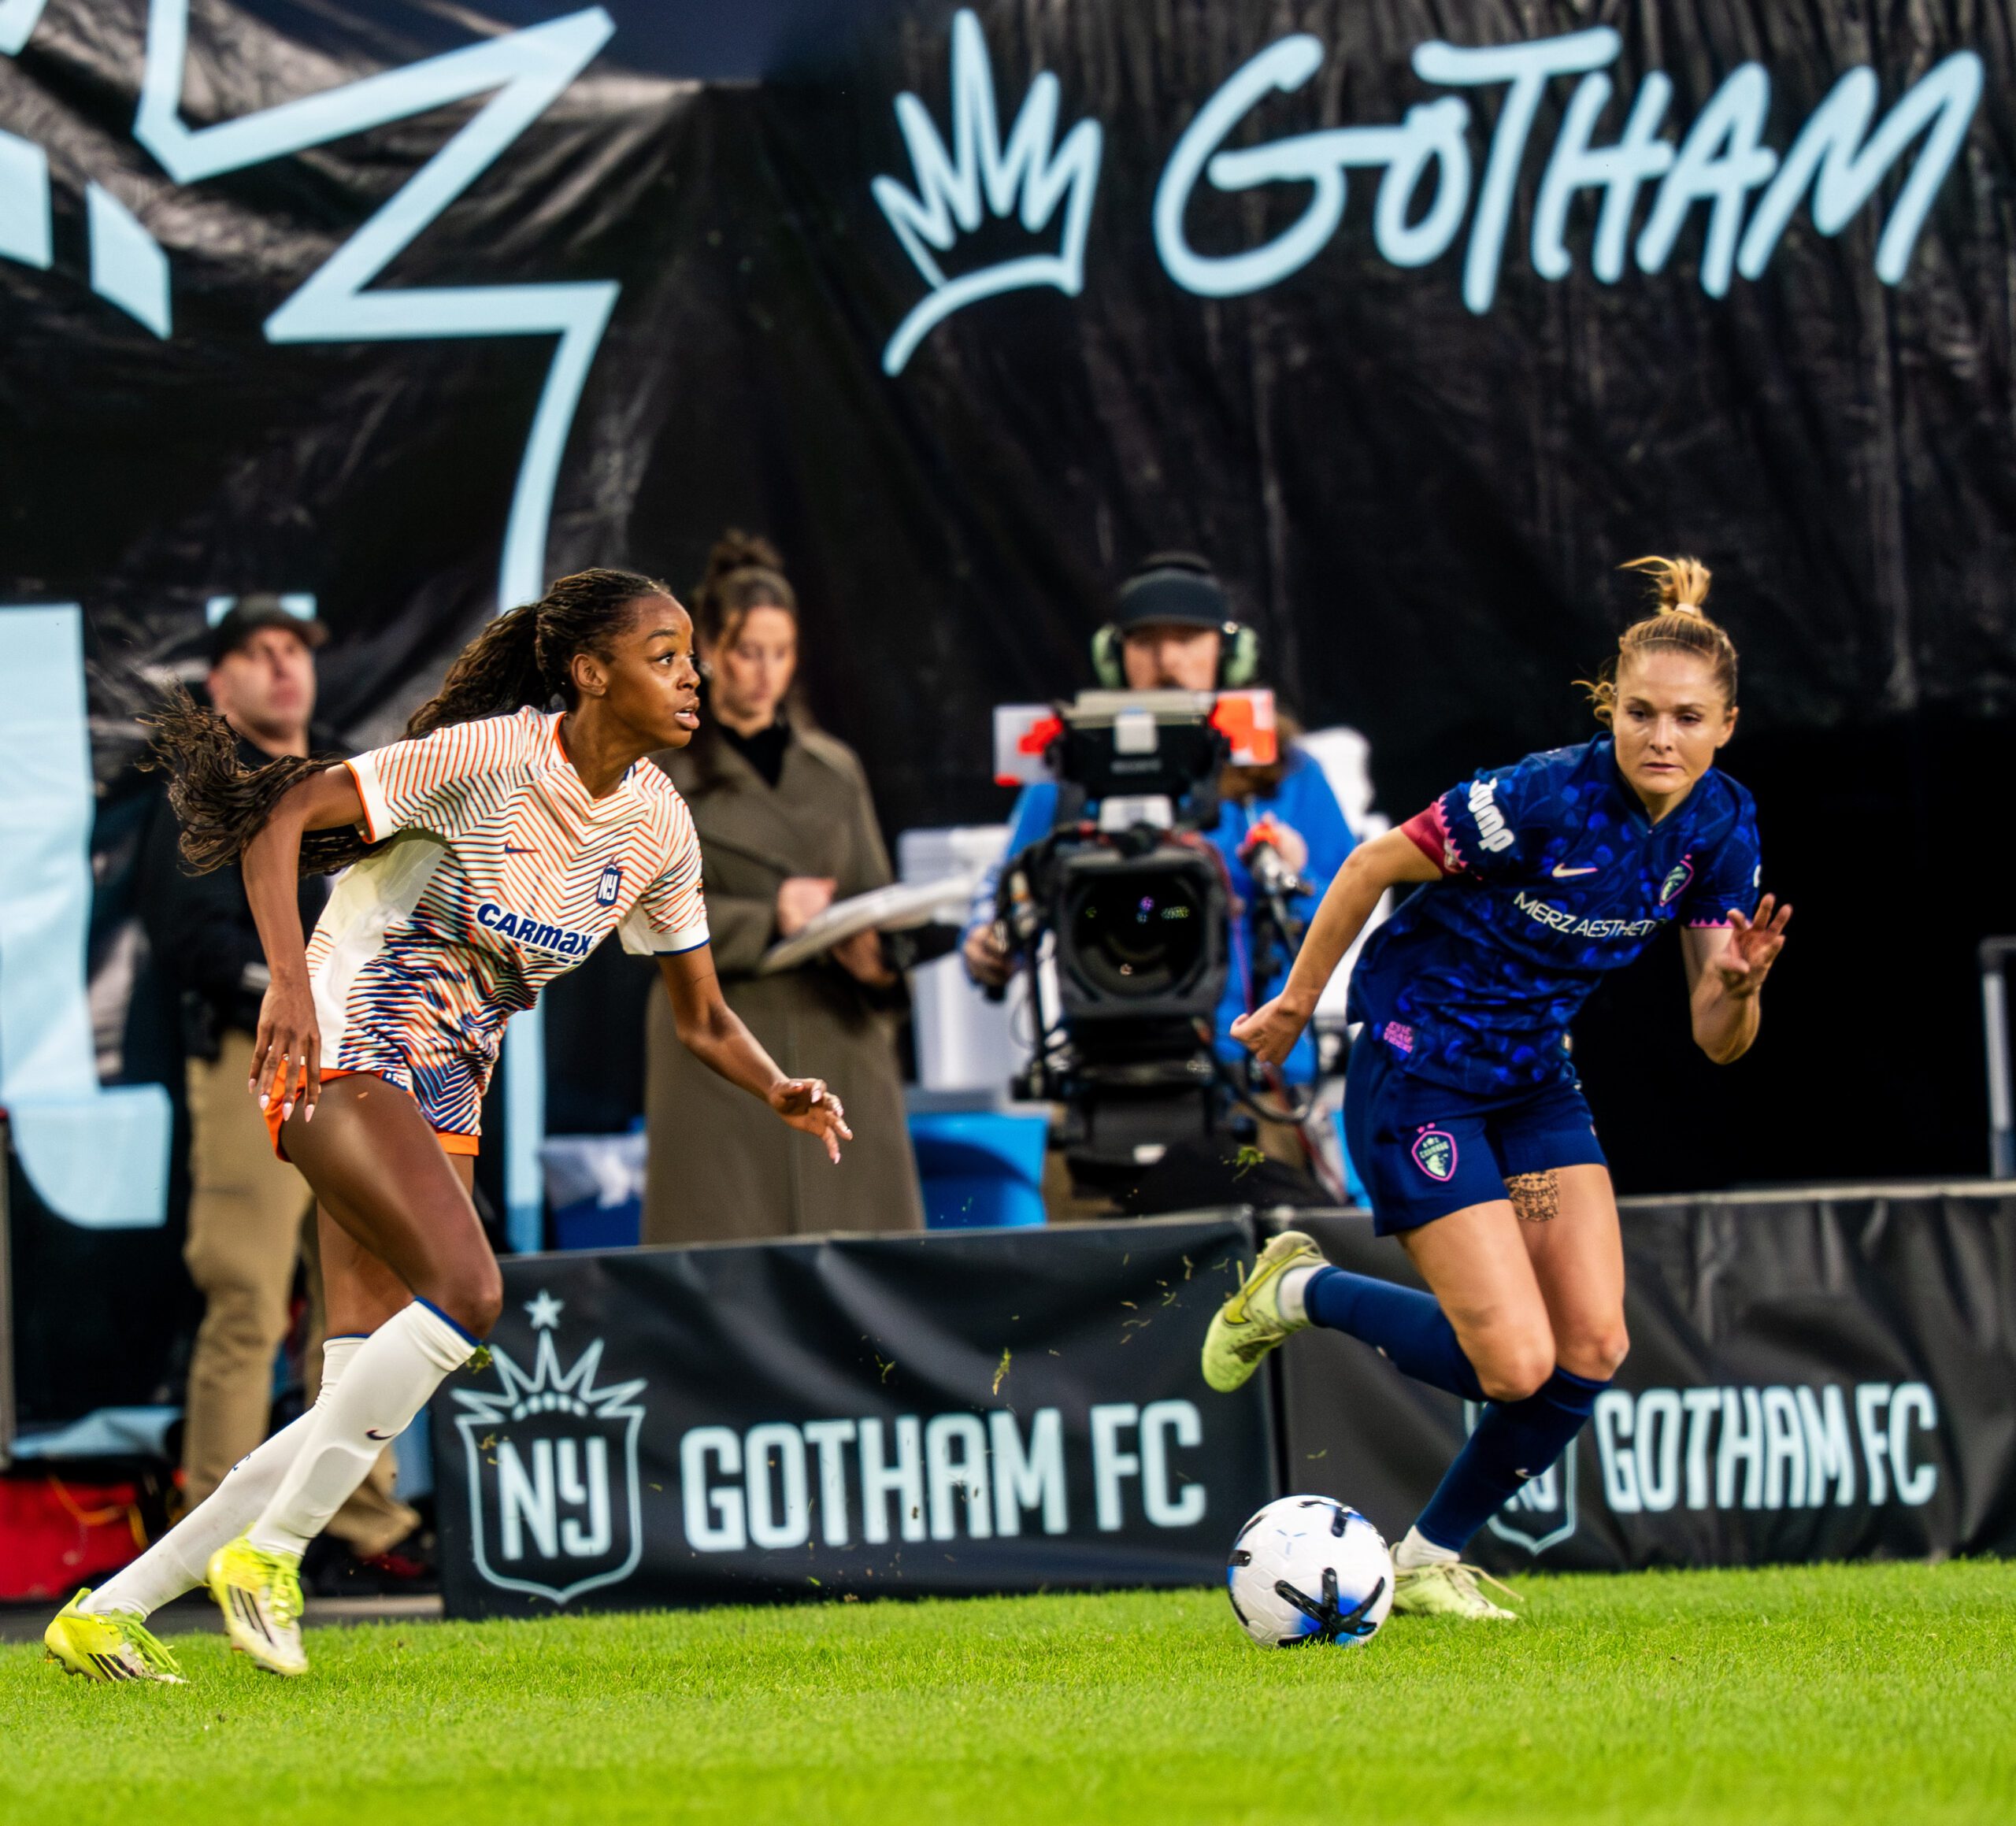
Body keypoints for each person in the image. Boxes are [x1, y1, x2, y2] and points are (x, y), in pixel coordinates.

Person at [44, 568, 850, 1683]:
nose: (693, 676)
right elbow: (283, 812)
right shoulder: (492, 755)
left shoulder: (660, 821)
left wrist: (778, 1087)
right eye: (664, 655)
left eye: (688, 656)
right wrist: (284, 977)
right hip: (340, 1031)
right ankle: (267, 1556)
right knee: (469, 1297)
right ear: (588, 671)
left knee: (350, 1396)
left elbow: (704, 1015)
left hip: (448, 1083)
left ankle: (112, 1607)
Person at [1200, 557, 1791, 1620]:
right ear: (1613, 709)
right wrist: (1295, 1003)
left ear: (1727, 727)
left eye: (1688, 718)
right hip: (1420, 1068)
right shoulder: (1539, 797)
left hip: (1531, 1084)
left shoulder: (1721, 830)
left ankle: (1425, 1556)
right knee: (1515, 1364)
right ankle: (1294, 1290)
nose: (1662, 736)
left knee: (1595, 1345)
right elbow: (1374, 862)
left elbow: (1716, 1038)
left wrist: (1739, 990)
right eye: (1643, 712)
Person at [135, 597, 420, 1579]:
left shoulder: (350, 778)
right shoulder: (199, 792)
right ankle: (202, 1533)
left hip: (357, 1070)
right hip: (253, 1062)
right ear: (220, 682)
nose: (284, 667)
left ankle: (361, 1522)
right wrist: (296, 986)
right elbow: (190, 945)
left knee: (364, 1302)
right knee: (248, 1296)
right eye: (259, 652)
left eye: (296, 648)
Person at [962, 553, 1356, 1197]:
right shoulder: (1068, 776)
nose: (1167, 659)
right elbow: (1007, 895)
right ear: (1115, 656)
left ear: (1228, 654)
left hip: (1252, 1085)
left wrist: (1297, 876)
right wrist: (990, 942)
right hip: (1100, 1079)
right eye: (1146, 641)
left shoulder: (1284, 775)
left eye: (1186, 639)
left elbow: (1351, 900)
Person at [643, 532, 923, 1242]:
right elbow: (633, 908)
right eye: (747, 651)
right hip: (719, 1046)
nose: (765, 672)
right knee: (726, 1256)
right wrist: (771, 916)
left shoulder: (835, 770)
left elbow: (874, 895)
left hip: (841, 1043)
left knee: (860, 1264)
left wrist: (876, 963)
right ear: (708, 648)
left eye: (781, 652)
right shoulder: (661, 772)